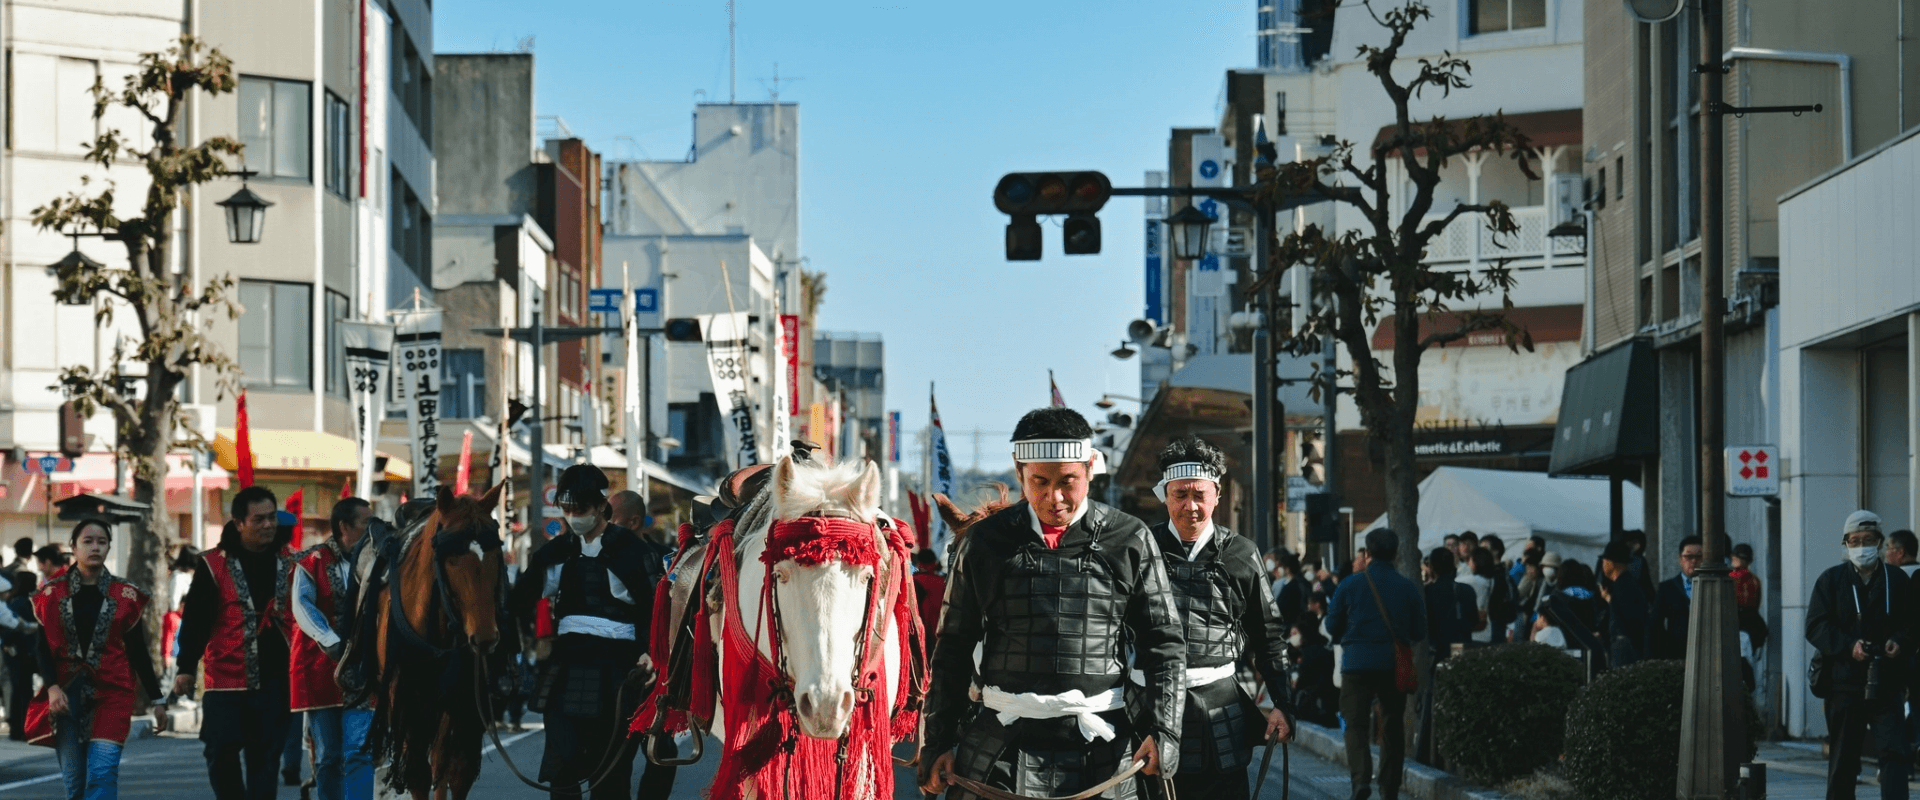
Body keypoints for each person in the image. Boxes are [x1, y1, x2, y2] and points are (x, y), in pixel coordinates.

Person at [918, 408, 1185, 800]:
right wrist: (938, 739)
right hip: (1001, 746)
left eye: (1067, 481)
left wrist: (1165, 731)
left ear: (1090, 469)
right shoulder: (984, 542)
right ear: (1019, 470)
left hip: (1103, 744)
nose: (1054, 497)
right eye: (1039, 481)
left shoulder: (1130, 538)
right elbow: (954, 646)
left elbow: (1164, 642)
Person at [1141, 437, 1292, 800]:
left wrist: (1283, 704)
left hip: (1219, 704)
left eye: (1200, 494)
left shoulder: (1242, 553)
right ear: (1165, 495)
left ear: (1217, 494)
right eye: (1180, 494)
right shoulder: (1139, 548)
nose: (1190, 505)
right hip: (1148, 703)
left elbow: (1269, 634)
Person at [509, 464, 658, 800]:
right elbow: (516, 602)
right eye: (567, 509)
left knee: (611, 775)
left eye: (581, 509)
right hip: (566, 664)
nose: (573, 516)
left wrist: (651, 651)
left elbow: (657, 608)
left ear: (600, 506)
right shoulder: (555, 552)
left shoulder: (634, 552)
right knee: (561, 770)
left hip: (622, 667)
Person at [26, 520, 167, 800]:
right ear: (73, 547)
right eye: (88, 541)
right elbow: (42, 650)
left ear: (109, 548)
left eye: (102, 542)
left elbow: (138, 651)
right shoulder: (50, 595)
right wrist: (52, 687)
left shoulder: (126, 595)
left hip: (112, 693)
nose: (95, 547)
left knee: (102, 772)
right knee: (75, 784)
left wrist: (157, 699)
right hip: (66, 697)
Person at [174, 486, 296, 800]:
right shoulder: (213, 564)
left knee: (265, 759)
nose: (268, 525)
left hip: (276, 679)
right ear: (239, 523)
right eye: (259, 519)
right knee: (219, 752)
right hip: (226, 679)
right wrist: (185, 667)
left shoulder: (293, 563)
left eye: (272, 518)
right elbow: (196, 619)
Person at [1807, 509, 1914, 800]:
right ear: (1846, 543)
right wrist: (1848, 645)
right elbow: (1815, 625)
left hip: (1888, 680)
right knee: (1843, 758)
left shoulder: (1897, 580)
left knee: (1894, 753)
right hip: (1844, 683)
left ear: (1879, 542)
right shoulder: (1831, 580)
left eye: (1868, 540)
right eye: (1854, 541)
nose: (1861, 547)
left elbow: (1913, 622)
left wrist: (1899, 641)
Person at [1326, 528, 1425, 800]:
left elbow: (1332, 625)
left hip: (1356, 662)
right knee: (1392, 724)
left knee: (1355, 723)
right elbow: (1419, 631)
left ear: (1367, 553)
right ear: (1395, 554)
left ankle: (1360, 780)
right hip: (1392, 664)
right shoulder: (1407, 587)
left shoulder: (1349, 584)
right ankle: (1389, 787)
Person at [288, 498, 374, 800]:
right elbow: (301, 606)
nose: (371, 529)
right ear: (344, 527)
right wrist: (330, 641)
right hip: (321, 669)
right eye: (365, 523)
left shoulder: (376, 561)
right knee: (329, 755)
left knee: (360, 750)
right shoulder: (311, 561)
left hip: (363, 669)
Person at [1412, 548, 1476, 768]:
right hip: (1462, 651)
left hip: (1437, 652)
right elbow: (1473, 620)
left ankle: (1431, 752)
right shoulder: (1466, 591)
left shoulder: (1427, 592)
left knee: (1433, 701)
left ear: (1431, 567)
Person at [1597, 540, 1651, 669]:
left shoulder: (1623, 586)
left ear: (1611, 563)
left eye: (1604, 561)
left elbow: (1628, 619)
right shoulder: (1627, 584)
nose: (1603, 565)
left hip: (1625, 649)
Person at [1649, 536, 1703, 660]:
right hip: (1676, 653)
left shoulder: (1713, 586)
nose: (1694, 561)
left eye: (1699, 557)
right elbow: (1655, 625)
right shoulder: (1667, 588)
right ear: (1680, 559)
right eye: (1688, 556)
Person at [911, 549, 945, 655]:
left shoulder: (913, 581)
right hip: (943, 637)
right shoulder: (944, 581)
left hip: (922, 638)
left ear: (918, 563)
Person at [1457, 548, 1492, 645]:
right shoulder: (1491, 580)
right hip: (1486, 632)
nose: (1468, 563)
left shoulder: (1469, 580)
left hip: (1469, 634)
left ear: (1476, 562)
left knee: (1457, 654)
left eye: (1470, 560)